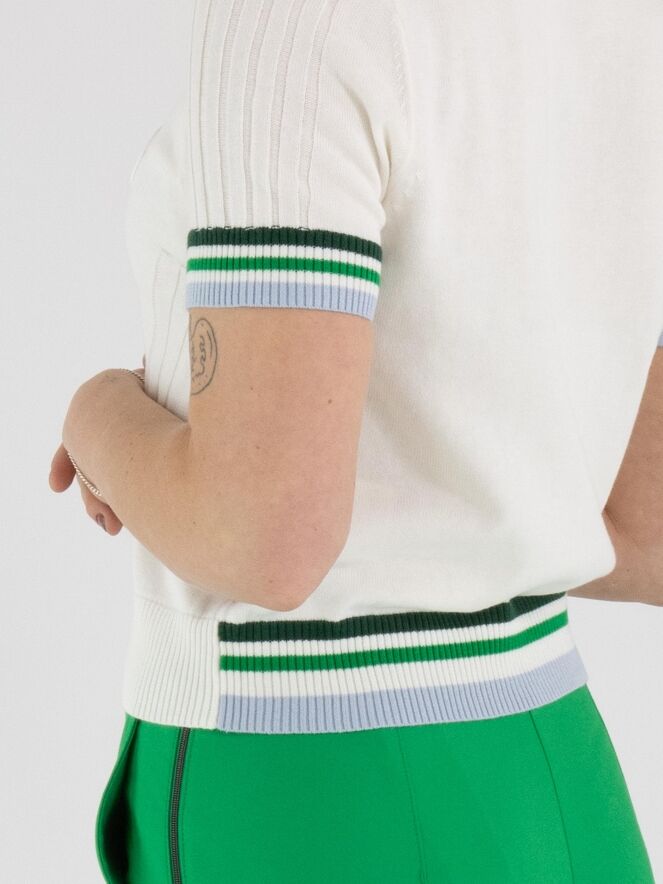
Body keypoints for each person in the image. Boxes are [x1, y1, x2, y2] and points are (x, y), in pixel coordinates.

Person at [49, 0, 663, 880]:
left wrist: (97, 412)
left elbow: (263, 538)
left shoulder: (295, 17)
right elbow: (645, 528)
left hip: (309, 784)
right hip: (560, 787)